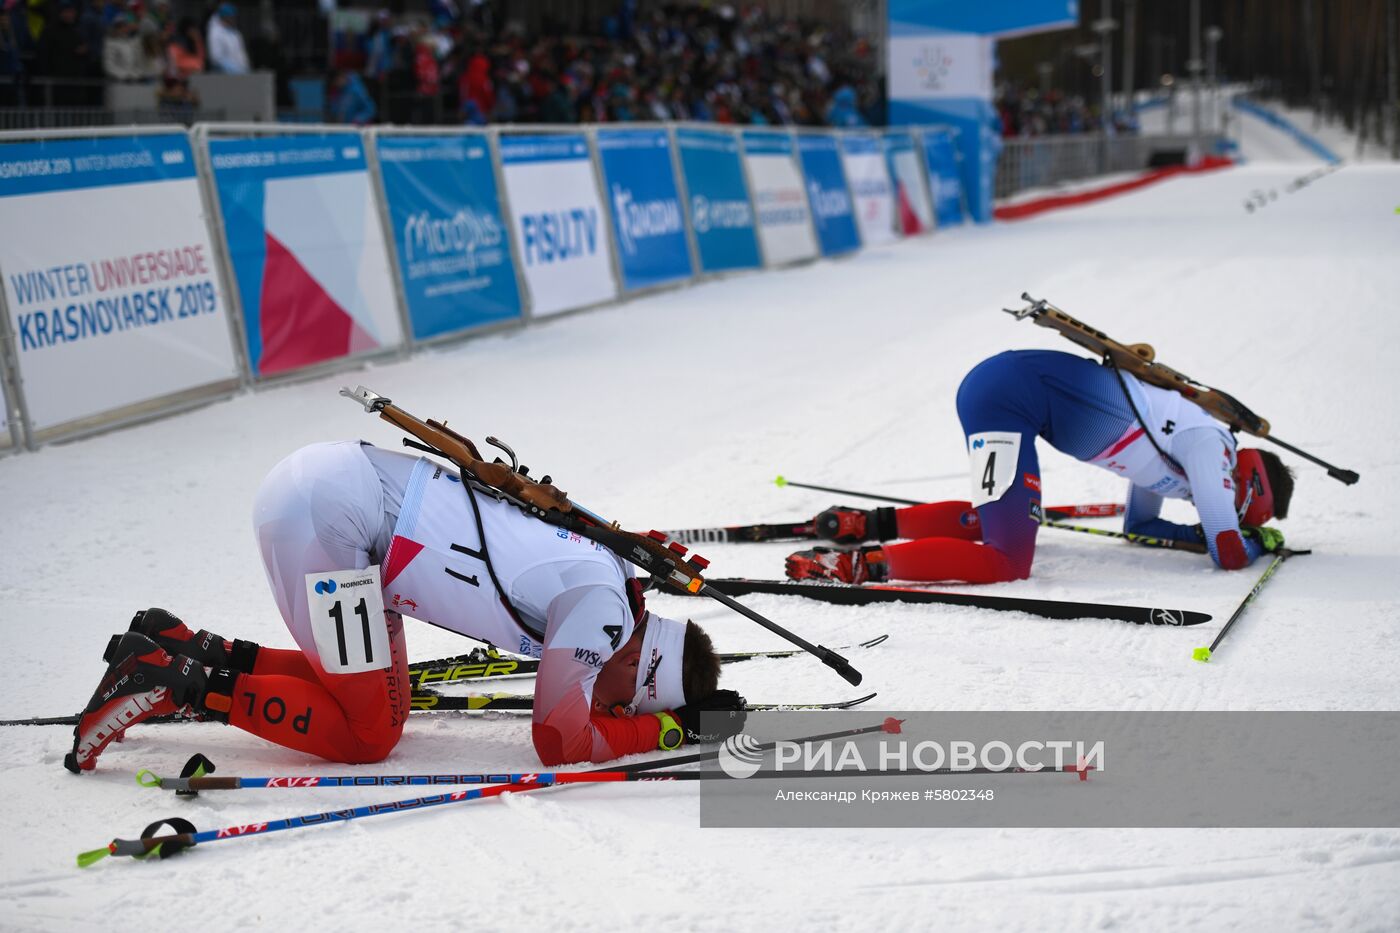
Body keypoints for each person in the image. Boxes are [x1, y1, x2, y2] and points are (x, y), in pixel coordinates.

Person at [67, 441, 745, 774]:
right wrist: (667, 733)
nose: (616, 709)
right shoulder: (603, 617)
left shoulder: (616, 584)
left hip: (352, 515)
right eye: (628, 702)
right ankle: (167, 683)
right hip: (333, 519)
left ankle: (183, 647)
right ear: (643, 664)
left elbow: (580, 715)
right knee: (366, 736)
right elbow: (560, 741)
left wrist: (663, 719)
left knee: (382, 710)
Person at [786, 349, 1295, 585]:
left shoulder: (1186, 459)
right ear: (1249, 487)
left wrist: (1203, 536)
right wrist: (1255, 543)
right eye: (1245, 514)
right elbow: (1227, 552)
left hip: (1003, 390)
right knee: (1007, 561)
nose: (1219, 508)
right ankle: (860, 566)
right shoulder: (1210, 445)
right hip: (1011, 397)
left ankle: (866, 526)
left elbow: (1139, 528)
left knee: (1004, 520)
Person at [205, 1, 246, 74]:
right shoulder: (215, 32)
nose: (234, 20)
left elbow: (240, 54)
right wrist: (232, 68)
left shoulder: (235, 33)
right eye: (231, 17)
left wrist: (244, 67)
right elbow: (215, 57)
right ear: (225, 17)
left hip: (240, 72)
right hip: (224, 75)